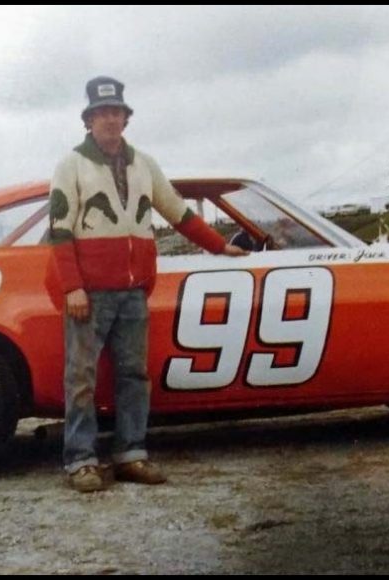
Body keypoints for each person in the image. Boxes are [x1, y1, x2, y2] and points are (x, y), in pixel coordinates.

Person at [49, 76, 247, 492]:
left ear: (126, 118)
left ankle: (131, 455)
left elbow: (177, 212)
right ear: (88, 120)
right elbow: (60, 229)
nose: (110, 119)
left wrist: (218, 247)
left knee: (134, 375)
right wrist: (72, 287)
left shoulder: (145, 164)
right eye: (102, 113)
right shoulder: (71, 165)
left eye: (117, 112)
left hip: (134, 290)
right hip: (90, 292)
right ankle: (80, 461)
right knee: (81, 377)